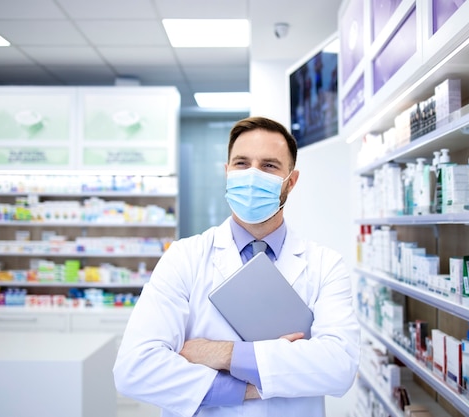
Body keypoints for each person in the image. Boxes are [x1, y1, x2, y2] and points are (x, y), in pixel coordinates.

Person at [113, 116, 360, 417]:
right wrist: (249, 389)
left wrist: (223, 353)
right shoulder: (184, 257)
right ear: (227, 173)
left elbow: (339, 366)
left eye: (269, 166)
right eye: (242, 163)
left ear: (290, 181)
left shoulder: (324, 265)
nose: (252, 175)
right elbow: (134, 368)